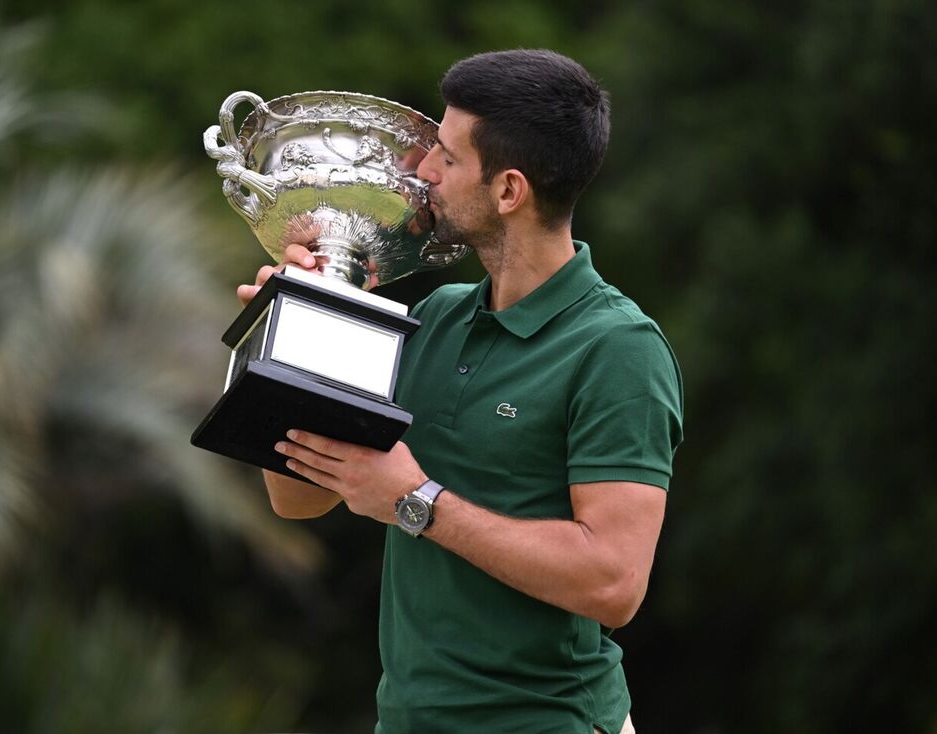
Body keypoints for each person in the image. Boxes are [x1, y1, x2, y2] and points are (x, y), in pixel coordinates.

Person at [236, 49, 682, 734]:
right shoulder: (438, 315)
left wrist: (416, 502)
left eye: (446, 157)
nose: (422, 172)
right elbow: (301, 495)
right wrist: (300, 326)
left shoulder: (618, 349)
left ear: (509, 191)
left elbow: (613, 584)